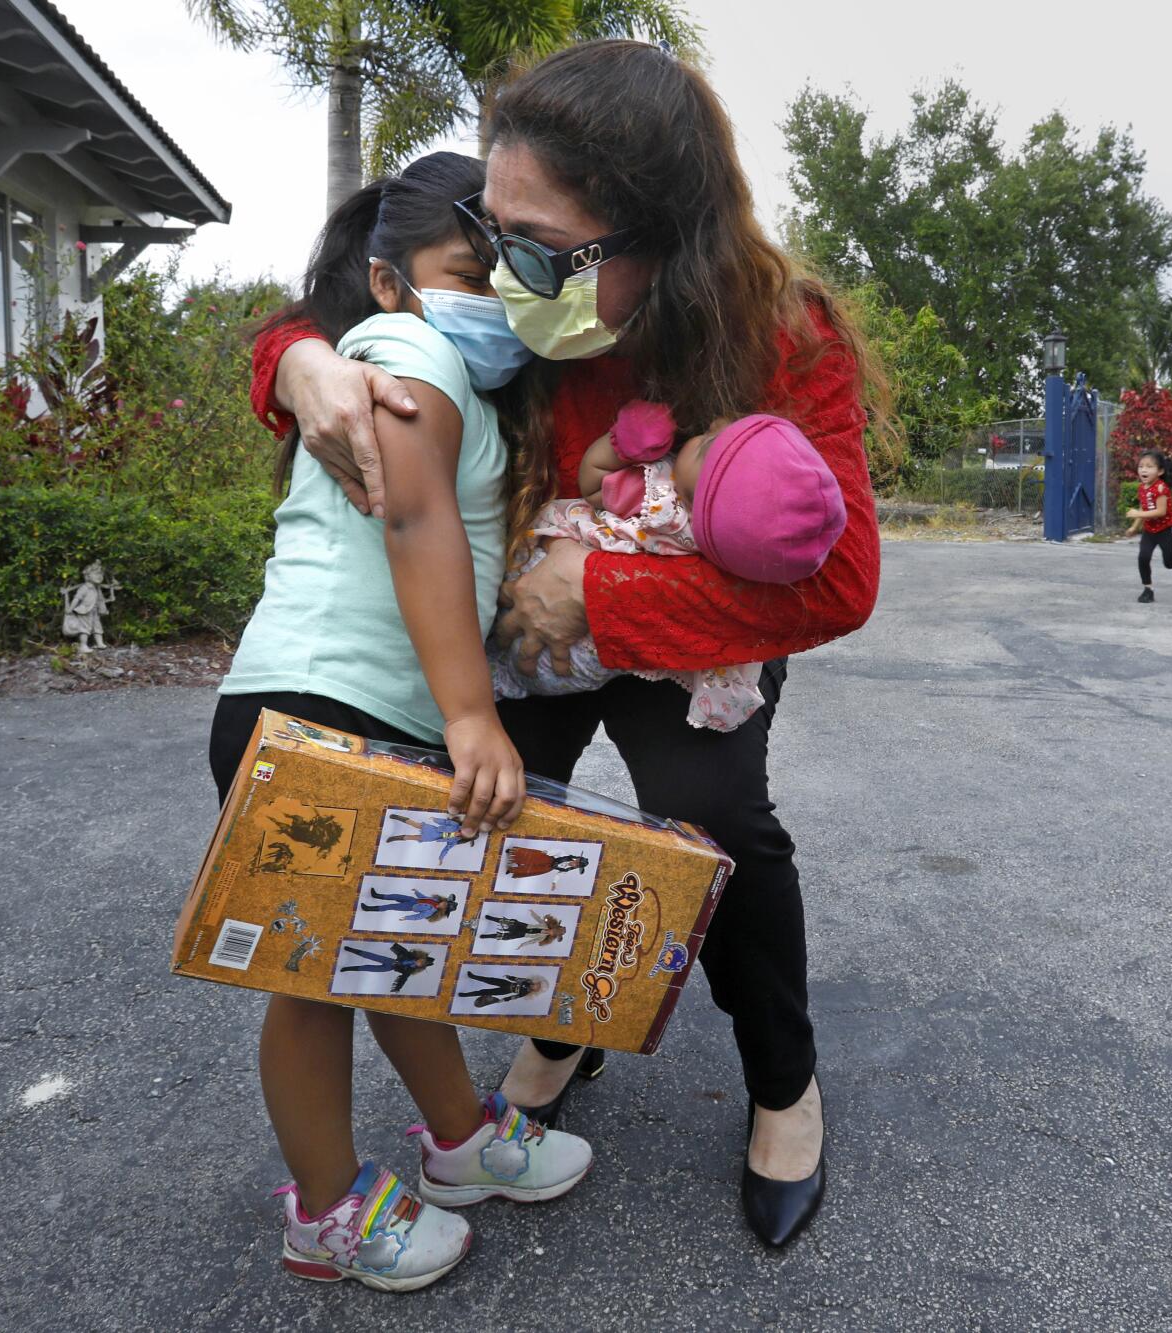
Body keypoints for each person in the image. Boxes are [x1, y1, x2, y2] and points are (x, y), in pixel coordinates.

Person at [247, 41, 883, 1249]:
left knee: (715, 824)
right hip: (524, 626)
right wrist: (300, 361)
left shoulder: (783, 331)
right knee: (503, 807)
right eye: (496, 230)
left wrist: (599, 591)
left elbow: (842, 579)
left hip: (692, 627)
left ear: (658, 239)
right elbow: (360, 289)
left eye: (533, 248)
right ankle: (554, 1024)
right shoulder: (518, 297)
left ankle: (781, 1081)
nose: (499, 269)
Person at [212, 151, 592, 1292]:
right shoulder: (405, 354)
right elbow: (416, 519)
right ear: (388, 284)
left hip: (374, 711)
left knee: (397, 949)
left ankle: (460, 1144)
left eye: (508, 273)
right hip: (317, 708)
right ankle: (323, 1212)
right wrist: (473, 716)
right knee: (316, 974)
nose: (492, 297)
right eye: (465, 270)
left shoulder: (459, 378)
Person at [495, 400, 847, 730]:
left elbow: (593, 481)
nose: (713, 425)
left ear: (694, 496)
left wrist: (621, 444)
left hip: (550, 636)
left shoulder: (662, 501)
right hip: (594, 662)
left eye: (708, 443)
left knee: (504, 609)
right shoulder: (733, 553)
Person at [1123, 451, 1172, 603]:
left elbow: (1160, 512)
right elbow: (1144, 508)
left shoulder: (1161, 488)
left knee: (1170, 564)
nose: (1143, 470)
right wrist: (1134, 527)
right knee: (1143, 557)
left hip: (1166, 529)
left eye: (1149, 467)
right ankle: (1148, 590)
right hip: (1150, 530)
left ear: (1160, 471)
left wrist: (1137, 513)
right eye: (1141, 466)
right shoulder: (1142, 488)